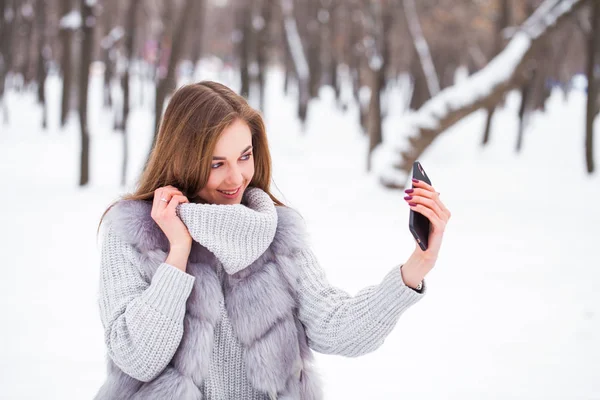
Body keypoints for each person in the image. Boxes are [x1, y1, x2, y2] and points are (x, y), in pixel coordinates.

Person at [94, 81, 451, 400]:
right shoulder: (134, 233)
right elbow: (138, 358)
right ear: (182, 158)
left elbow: (334, 327)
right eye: (216, 163)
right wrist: (178, 251)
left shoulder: (275, 233)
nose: (237, 177)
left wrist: (416, 267)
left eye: (244, 156)